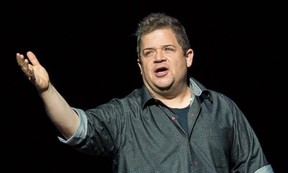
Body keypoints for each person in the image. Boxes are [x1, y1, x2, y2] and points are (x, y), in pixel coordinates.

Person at [16, 12, 274, 173]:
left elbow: (257, 168)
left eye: (168, 50)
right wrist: (47, 90)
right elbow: (76, 127)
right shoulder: (125, 114)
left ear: (188, 57)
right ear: (140, 66)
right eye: (149, 53)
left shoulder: (223, 109)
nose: (158, 58)